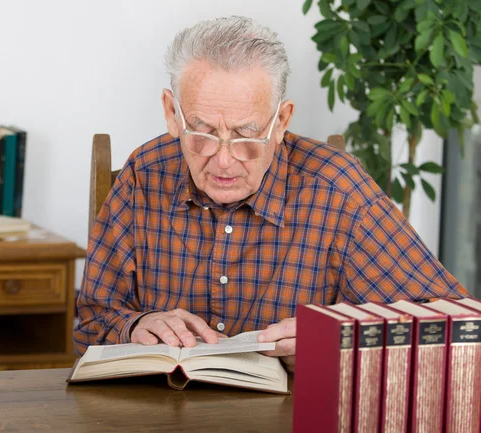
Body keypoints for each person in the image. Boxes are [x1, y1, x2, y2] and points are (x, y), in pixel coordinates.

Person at [74, 15, 469, 371]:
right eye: (203, 133)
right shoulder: (145, 174)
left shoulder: (336, 190)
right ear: (171, 113)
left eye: (246, 136)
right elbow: (91, 321)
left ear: (281, 121)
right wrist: (136, 325)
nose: (224, 160)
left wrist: (338, 340)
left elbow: (452, 325)